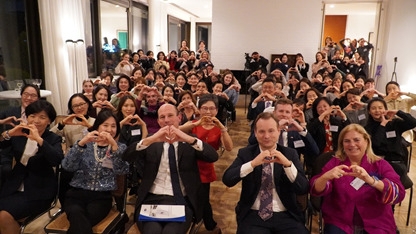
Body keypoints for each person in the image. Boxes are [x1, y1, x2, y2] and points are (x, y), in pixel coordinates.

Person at [122, 104, 218, 234]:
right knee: (152, 232)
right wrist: (151, 139)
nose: (166, 120)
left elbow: (213, 156)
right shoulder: (151, 141)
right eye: (162, 117)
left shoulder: (190, 141)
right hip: (151, 199)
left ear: (179, 117)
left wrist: (187, 138)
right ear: (158, 121)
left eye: (170, 115)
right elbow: (127, 156)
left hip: (181, 200)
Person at [222, 112, 309, 234]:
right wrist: (252, 164)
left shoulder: (289, 154)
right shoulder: (246, 153)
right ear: (255, 134)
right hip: (254, 214)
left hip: (286, 214)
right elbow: (228, 180)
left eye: (271, 131)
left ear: (279, 131)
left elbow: (303, 188)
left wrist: (288, 165)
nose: (266, 136)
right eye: (262, 132)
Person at [310, 124, 405, 233]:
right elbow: (316, 190)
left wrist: (372, 181)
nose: (352, 144)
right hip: (340, 220)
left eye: (356, 140)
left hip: (376, 221)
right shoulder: (335, 163)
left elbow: (398, 193)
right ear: (342, 144)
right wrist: (325, 177)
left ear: (366, 141)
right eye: (347, 141)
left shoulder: (380, 164)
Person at [0, 100, 64, 234]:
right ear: (27, 117)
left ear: (49, 121)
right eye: (32, 116)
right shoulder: (20, 134)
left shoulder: (52, 139)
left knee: (3, 215)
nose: (36, 120)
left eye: (42, 117)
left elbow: (56, 159)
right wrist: (8, 134)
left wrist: (40, 140)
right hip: (13, 186)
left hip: (39, 190)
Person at [62, 110, 129, 234]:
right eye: (105, 125)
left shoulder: (120, 148)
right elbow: (67, 166)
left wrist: (114, 146)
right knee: (76, 213)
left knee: (82, 221)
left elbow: (122, 170)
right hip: (76, 194)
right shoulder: (85, 144)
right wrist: (81, 143)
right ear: (97, 126)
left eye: (113, 126)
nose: (109, 129)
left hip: (101, 197)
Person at [180, 94, 232, 233]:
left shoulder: (218, 128)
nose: (208, 112)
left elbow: (229, 147)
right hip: (188, 165)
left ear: (216, 110)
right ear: (199, 109)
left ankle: (208, 224)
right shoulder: (193, 123)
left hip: (206, 168)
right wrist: (196, 123)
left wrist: (222, 128)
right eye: (204, 108)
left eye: (212, 108)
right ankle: (201, 222)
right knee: (187, 195)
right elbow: (177, 132)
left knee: (202, 198)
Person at [248, 98, 319, 172]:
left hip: (289, 169)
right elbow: (251, 142)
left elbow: (314, 152)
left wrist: (302, 131)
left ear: (291, 115)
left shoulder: (295, 132)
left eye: (287, 112)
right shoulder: (265, 127)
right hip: (266, 168)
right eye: (281, 111)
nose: (284, 115)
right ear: (274, 112)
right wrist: (276, 127)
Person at [365, 97, 416, 184]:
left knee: (393, 186)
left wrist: (398, 112)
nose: (377, 110)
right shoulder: (367, 128)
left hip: (396, 162)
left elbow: (413, 122)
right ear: (369, 111)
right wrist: (382, 125)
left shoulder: (394, 123)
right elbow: (375, 144)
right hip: (378, 162)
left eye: (380, 108)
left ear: (385, 109)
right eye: (373, 108)